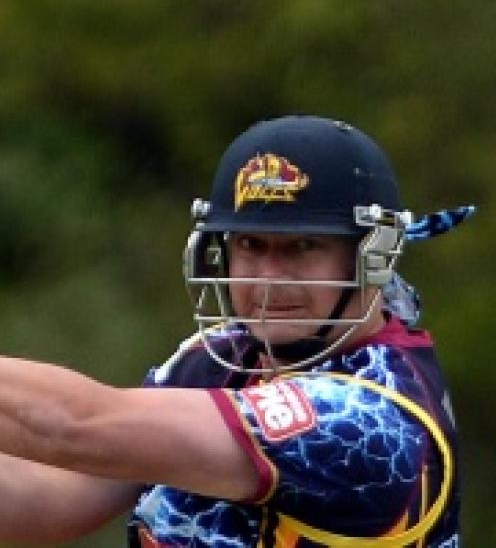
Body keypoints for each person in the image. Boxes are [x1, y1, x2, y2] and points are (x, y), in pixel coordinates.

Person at [0, 115, 474, 547]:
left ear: (373, 257)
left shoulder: (369, 418)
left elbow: (75, 428)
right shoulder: (224, 355)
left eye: (303, 246)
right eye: (250, 244)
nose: (267, 277)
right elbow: (52, 498)